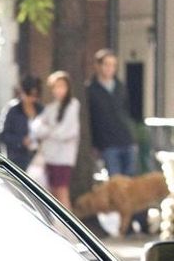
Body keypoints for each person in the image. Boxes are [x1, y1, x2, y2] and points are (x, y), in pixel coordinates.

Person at [30, 71, 80, 209]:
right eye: (56, 86)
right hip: (50, 156)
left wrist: (47, 131)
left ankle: (67, 222)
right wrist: (50, 131)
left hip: (63, 157)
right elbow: (36, 126)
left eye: (62, 86)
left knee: (62, 192)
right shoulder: (51, 108)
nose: (59, 90)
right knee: (53, 193)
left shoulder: (73, 105)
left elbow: (64, 132)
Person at [87, 48, 137, 177]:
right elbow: (90, 119)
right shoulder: (90, 90)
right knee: (116, 181)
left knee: (130, 181)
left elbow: (127, 112)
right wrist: (95, 144)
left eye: (113, 65)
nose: (110, 68)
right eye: (107, 64)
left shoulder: (121, 87)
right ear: (98, 66)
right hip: (107, 144)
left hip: (127, 140)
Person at [0, 75, 43, 171]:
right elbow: (3, 135)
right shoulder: (12, 110)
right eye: (29, 94)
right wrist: (21, 141)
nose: (31, 98)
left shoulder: (41, 110)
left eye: (35, 95)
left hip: (37, 160)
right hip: (17, 160)